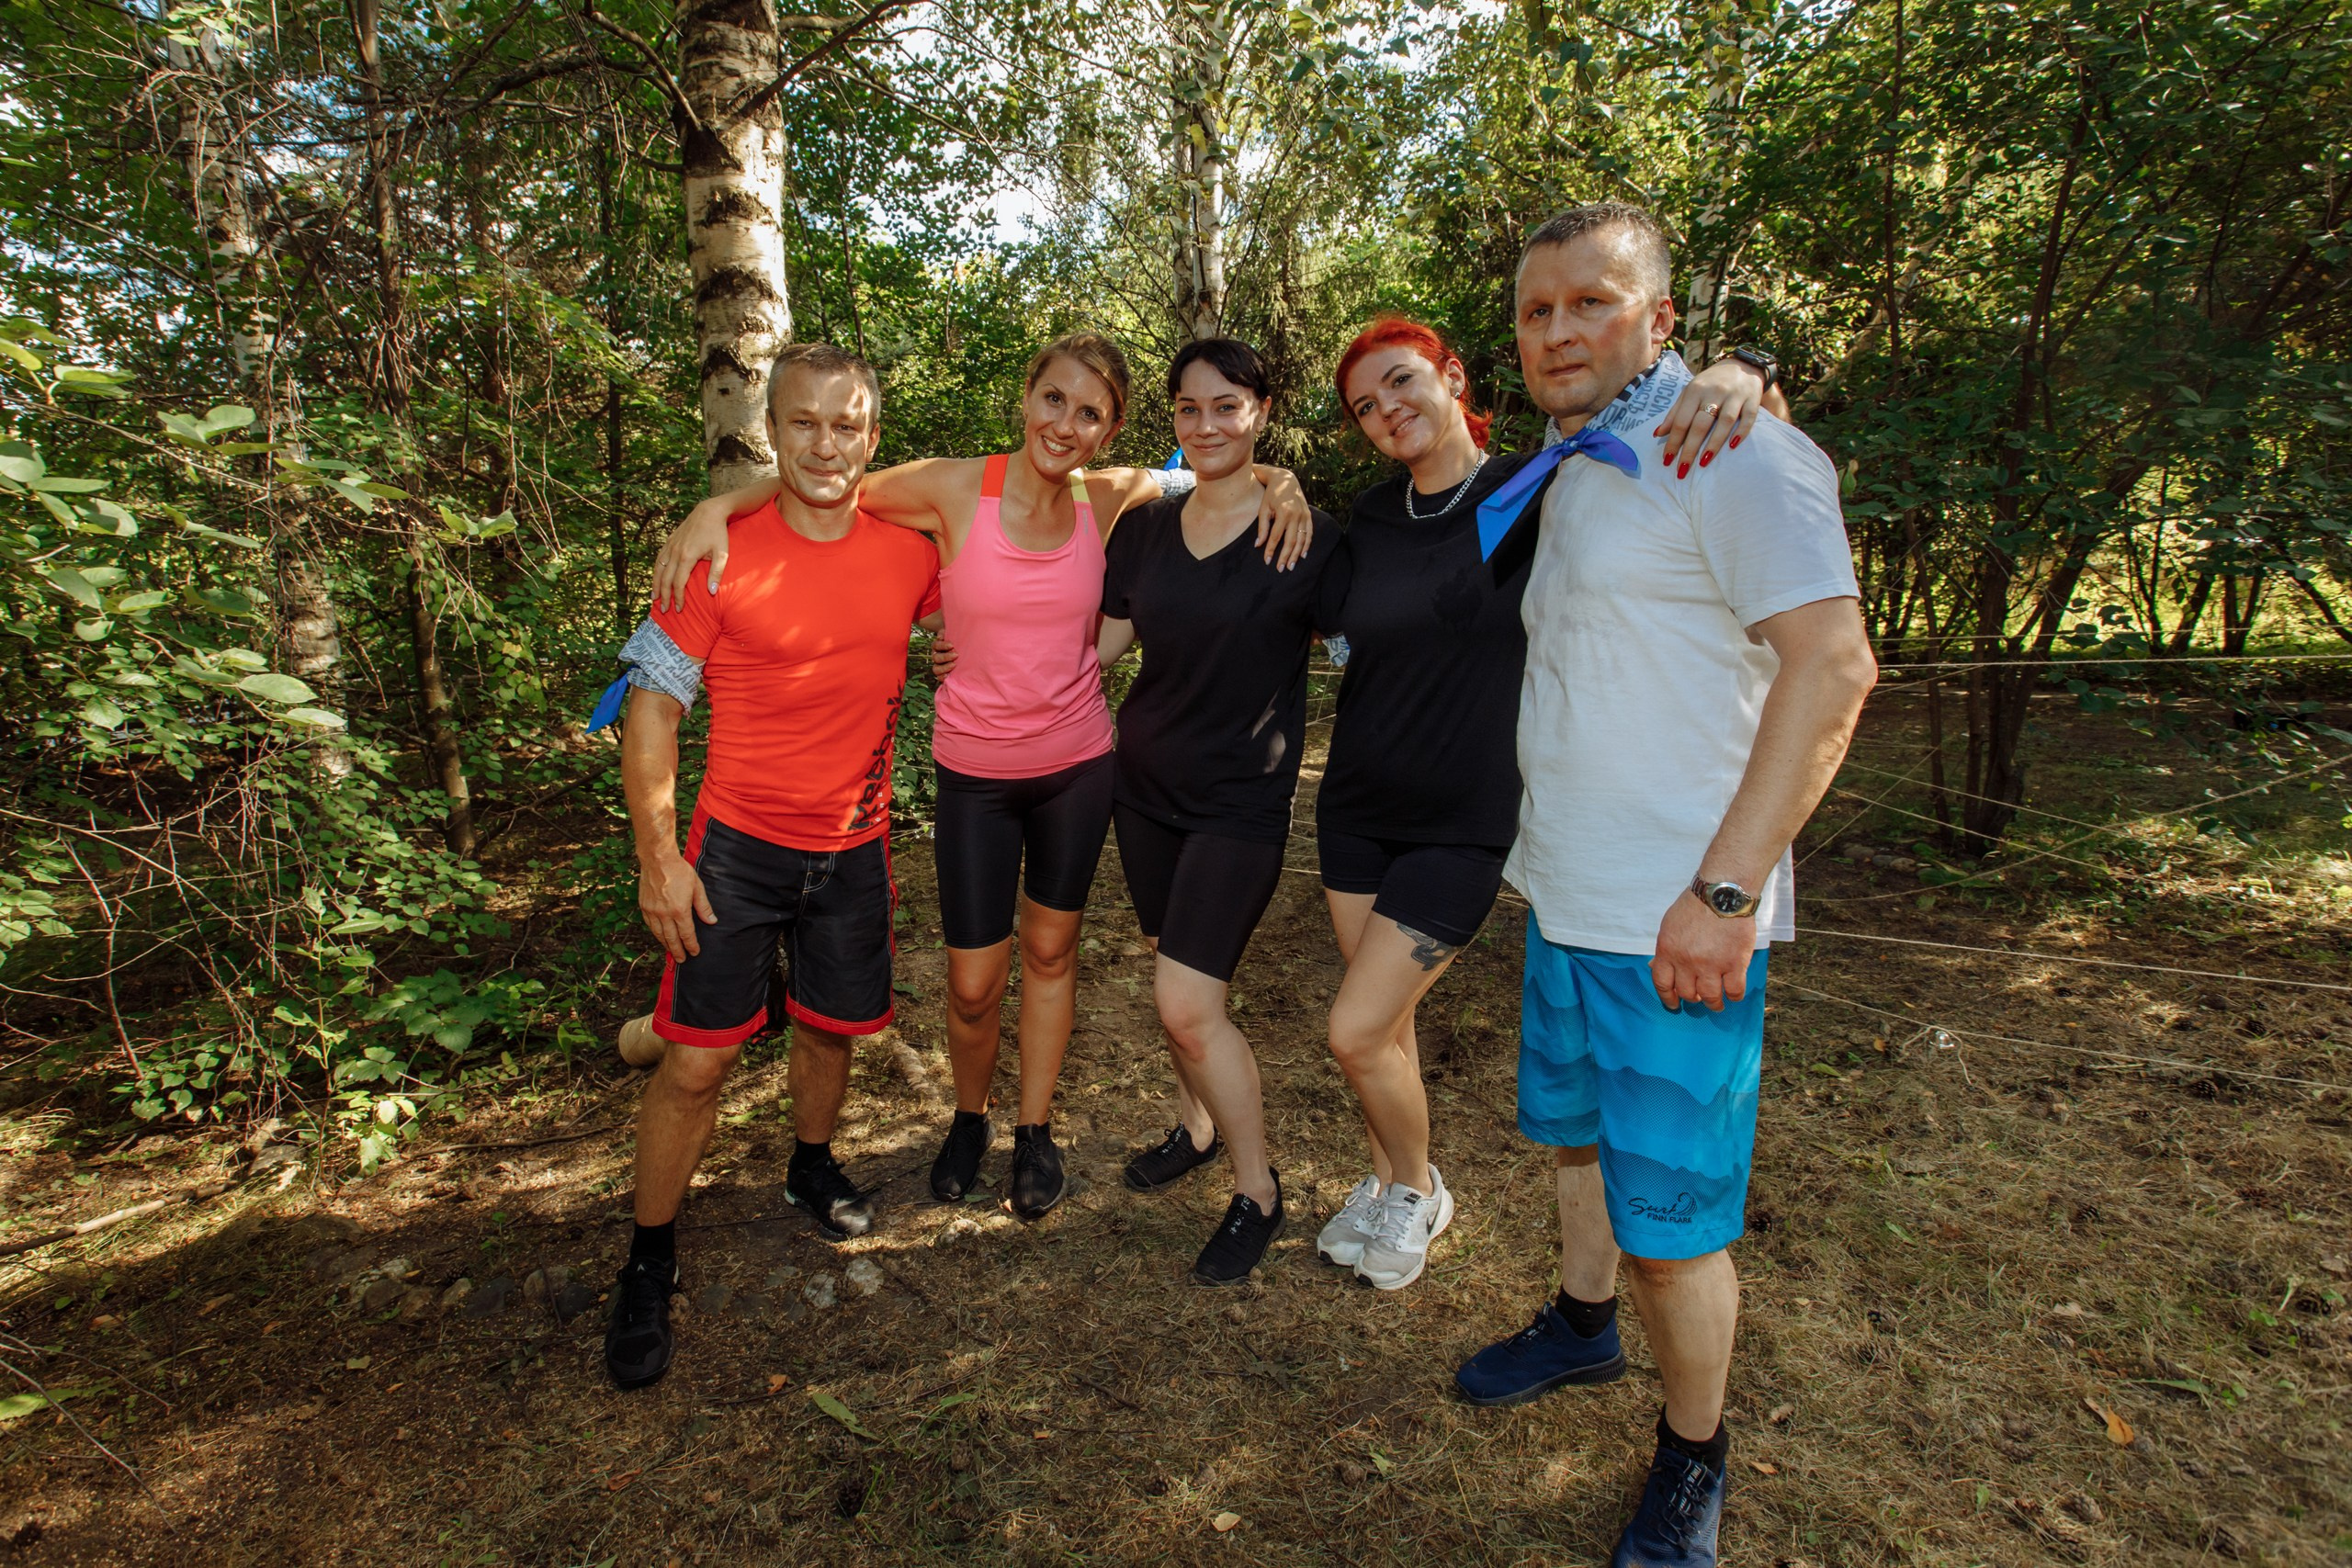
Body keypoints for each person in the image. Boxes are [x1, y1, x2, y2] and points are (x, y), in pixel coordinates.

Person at [647, 333, 1314, 1224]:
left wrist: (1285, 481)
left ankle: (1033, 1131)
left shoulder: (1109, 498)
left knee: (1049, 954)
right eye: (1054, 400)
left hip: (1077, 767)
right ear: (1027, 398)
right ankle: (970, 1119)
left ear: (1110, 431)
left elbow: (1215, 470)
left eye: (1090, 414)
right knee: (971, 983)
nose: (1066, 425)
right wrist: (719, 509)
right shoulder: (954, 484)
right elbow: (827, 477)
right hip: (973, 774)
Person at [1451, 204, 1874, 1568]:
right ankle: (1582, 1326)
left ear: (1660, 319)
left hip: (1679, 922)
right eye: (1536, 310)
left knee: (1674, 1226)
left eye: (1593, 300)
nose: (1561, 328)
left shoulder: (1736, 445)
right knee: (1578, 1145)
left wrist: (1731, 892)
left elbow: (1832, 665)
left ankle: (1695, 1455)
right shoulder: (1576, 463)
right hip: (1569, 896)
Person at [1309, 321, 1776, 1292]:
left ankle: (1420, 1192)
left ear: (1451, 376)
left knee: (1354, 1028)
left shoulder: (1540, 489)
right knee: (1381, 1032)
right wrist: (1235, 481)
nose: (1386, 411)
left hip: (1468, 816)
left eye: (1401, 384)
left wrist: (1746, 374)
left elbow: (1666, 446)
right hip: (1356, 807)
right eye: (1364, 405)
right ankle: (1390, 1175)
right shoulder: (1370, 516)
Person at [601, 344, 945, 1391]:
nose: (826, 443)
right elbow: (652, 708)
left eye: (846, 424)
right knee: (698, 1062)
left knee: (832, 1028)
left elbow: (1033, 513)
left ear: (872, 437)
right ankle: (648, 1261)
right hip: (734, 853)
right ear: (773, 431)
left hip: (855, 845)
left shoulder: (912, 552)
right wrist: (659, 856)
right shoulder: (714, 555)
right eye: (803, 423)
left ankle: (809, 1163)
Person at [1089, 337, 1339, 1284]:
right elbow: (1102, 646)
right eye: (1188, 409)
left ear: (1260, 411)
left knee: (1188, 1004)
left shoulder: (1298, 532)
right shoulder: (1147, 529)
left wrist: (1288, 486)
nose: (1206, 424)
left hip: (1241, 799)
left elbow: (1374, 633)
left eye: (1226, 405)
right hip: (1144, 788)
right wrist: (976, 635)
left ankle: (1258, 1190)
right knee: (1169, 973)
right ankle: (1194, 1127)